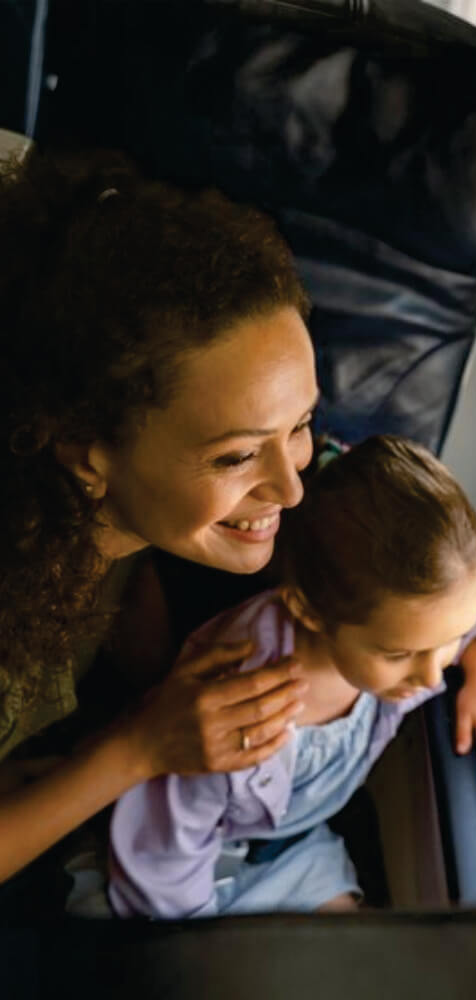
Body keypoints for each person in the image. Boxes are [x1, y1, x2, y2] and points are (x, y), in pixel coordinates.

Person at [0, 145, 318, 890]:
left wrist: (466, 626)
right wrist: (140, 748)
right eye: (237, 457)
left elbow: (346, 470)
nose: (291, 485)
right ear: (89, 450)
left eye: (300, 423)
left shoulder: (122, 516)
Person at [108, 435, 476, 918]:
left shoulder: (402, 638)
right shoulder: (234, 699)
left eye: (450, 641)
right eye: (400, 652)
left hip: (294, 851)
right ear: (308, 610)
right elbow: (163, 841)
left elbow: (449, 615)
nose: (428, 676)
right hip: (187, 867)